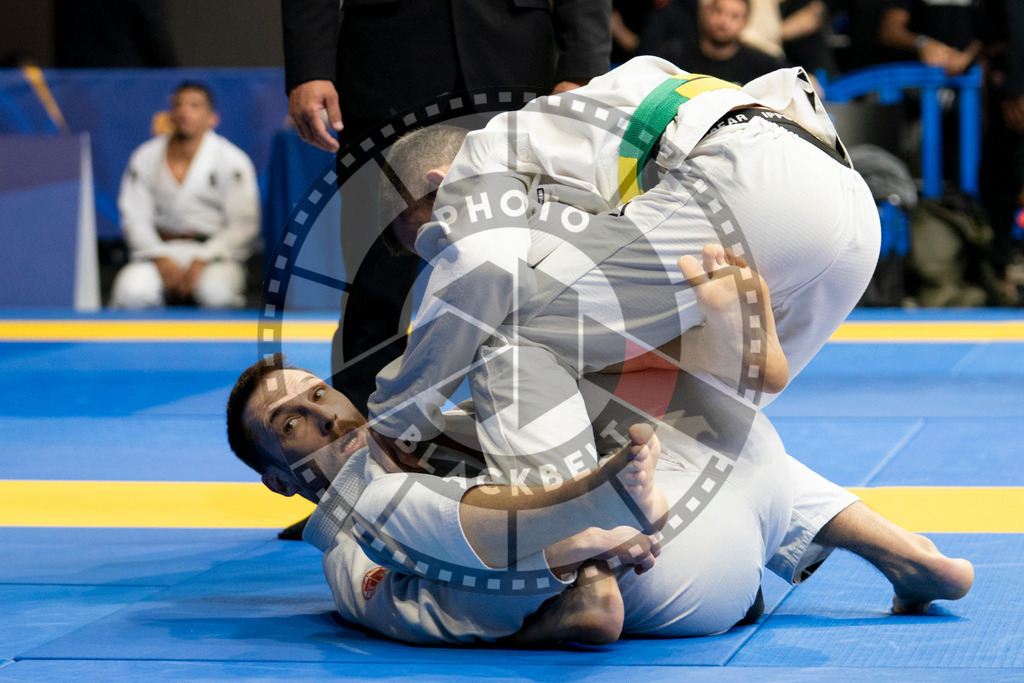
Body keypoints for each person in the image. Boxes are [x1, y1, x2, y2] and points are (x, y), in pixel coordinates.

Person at [224, 256, 972, 644]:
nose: (318, 416)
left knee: (534, 355)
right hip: (684, 559)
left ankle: (705, 365)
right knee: (498, 371)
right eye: (288, 423)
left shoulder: (440, 423)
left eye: (317, 394)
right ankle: (908, 552)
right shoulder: (349, 549)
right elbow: (453, 614)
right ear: (277, 478)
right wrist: (559, 599)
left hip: (702, 493)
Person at [367, 55, 876, 492]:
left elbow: (482, 269)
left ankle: (572, 541)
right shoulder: (567, 151)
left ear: (441, 184)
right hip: (850, 213)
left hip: (745, 183)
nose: (443, 253)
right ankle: (823, 535)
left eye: (436, 238)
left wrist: (399, 412)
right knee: (703, 398)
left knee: (510, 333)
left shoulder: (487, 154)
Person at [110, 82, 260, 309]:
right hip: (158, 250)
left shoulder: (232, 159)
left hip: (213, 253)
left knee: (217, 293)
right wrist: (158, 256)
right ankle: (145, 345)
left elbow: (244, 224)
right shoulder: (146, 156)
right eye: (178, 105)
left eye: (194, 105)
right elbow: (133, 215)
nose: (184, 112)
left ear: (212, 118)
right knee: (132, 291)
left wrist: (205, 257)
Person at [643, 0, 788, 85]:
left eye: (734, 16)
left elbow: (798, 81)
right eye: (718, 12)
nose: (724, 22)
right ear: (706, 13)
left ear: (745, 22)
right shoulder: (674, 55)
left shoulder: (761, 63)